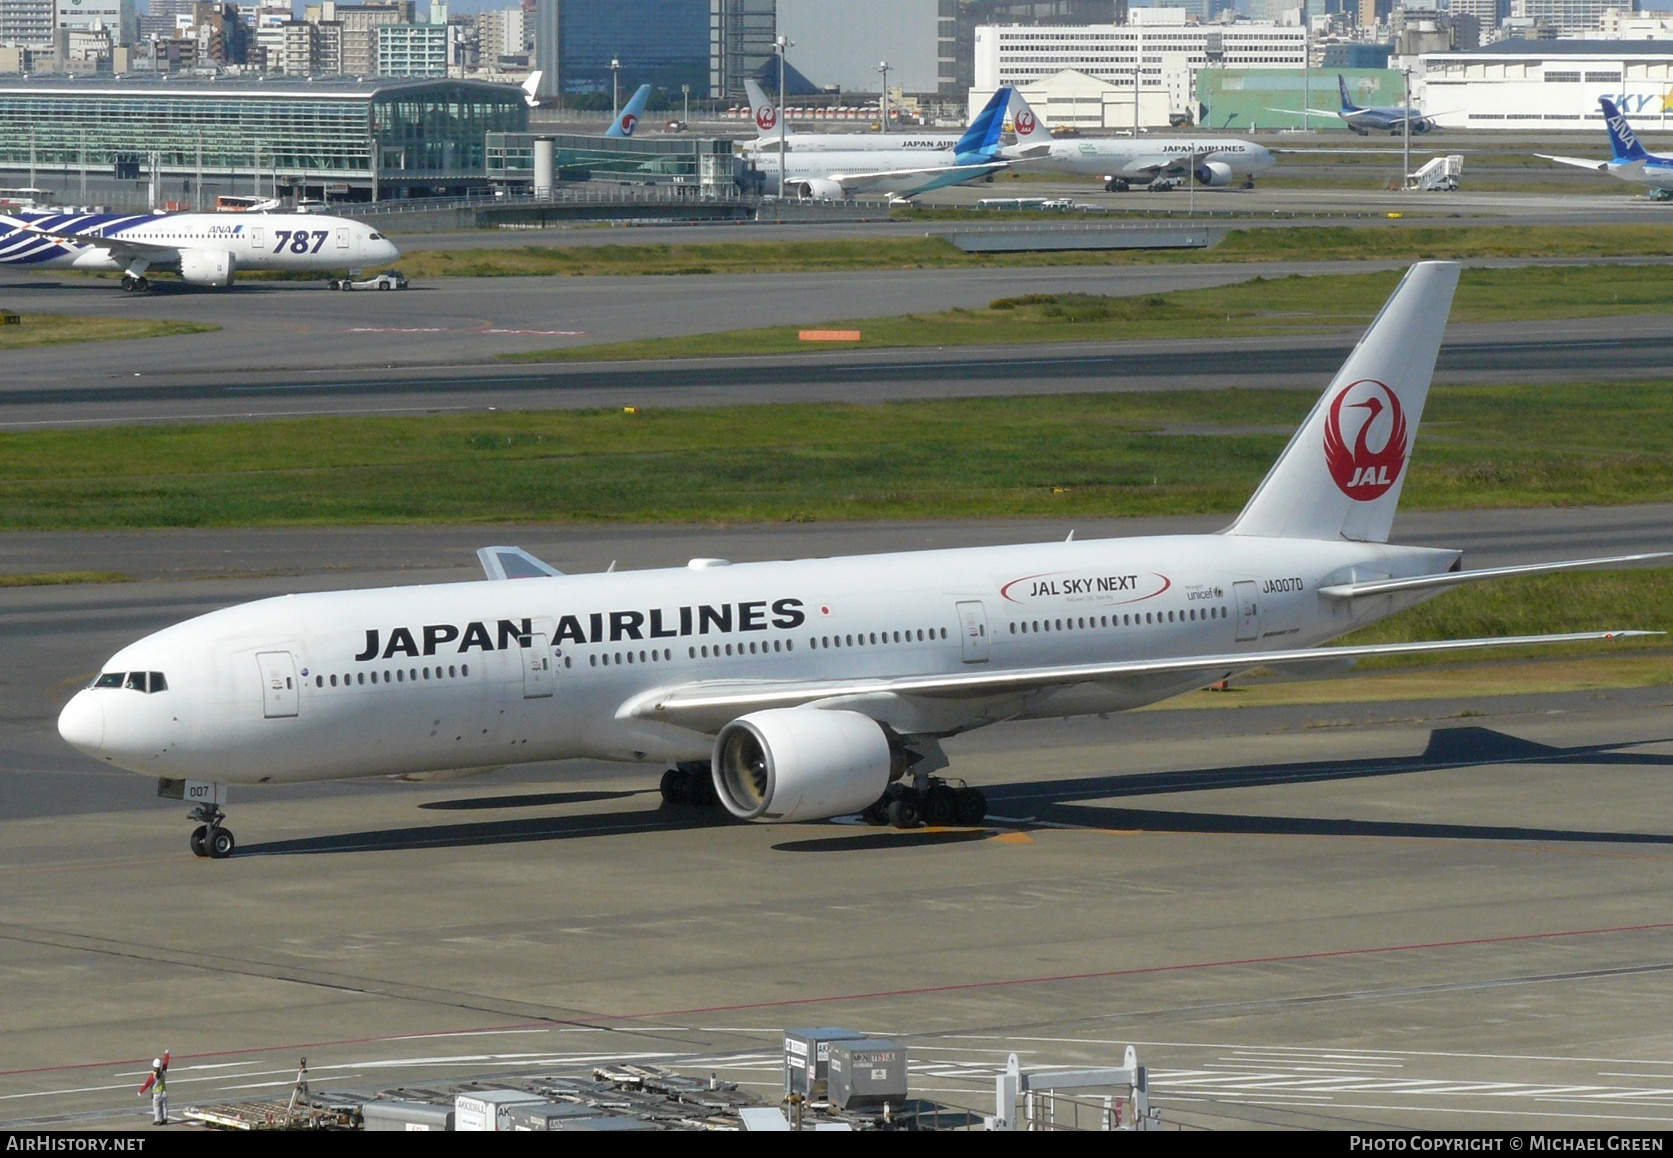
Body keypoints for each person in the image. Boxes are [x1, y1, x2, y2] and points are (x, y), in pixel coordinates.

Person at [137, 1053, 169, 1125]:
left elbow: (147, 1084)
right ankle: (165, 1118)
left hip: (156, 1094)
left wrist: (140, 1091)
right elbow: (165, 1063)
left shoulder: (153, 1075)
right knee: (164, 1106)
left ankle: (158, 1120)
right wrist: (166, 1055)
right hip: (163, 1092)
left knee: (157, 1107)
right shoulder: (163, 1072)